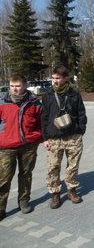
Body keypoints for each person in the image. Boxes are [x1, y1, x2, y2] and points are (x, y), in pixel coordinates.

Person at [41, 65, 87, 209]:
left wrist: (80, 131)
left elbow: (81, 113)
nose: (54, 81)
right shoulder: (48, 95)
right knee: (53, 166)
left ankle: (71, 190)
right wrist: (45, 138)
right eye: (53, 78)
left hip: (73, 136)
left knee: (73, 166)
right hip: (54, 138)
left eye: (58, 78)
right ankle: (55, 194)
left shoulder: (74, 93)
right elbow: (44, 117)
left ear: (66, 78)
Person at [0, 74, 42, 221]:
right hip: (6, 147)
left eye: (17, 86)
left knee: (26, 175)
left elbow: (41, 122)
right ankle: (1, 207)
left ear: (25, 86)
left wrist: (38, 136)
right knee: (4, 178)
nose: (14, 89)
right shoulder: (2, 102)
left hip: (28, 146)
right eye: (12, 86)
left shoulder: (34, 103)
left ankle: (24, 201)